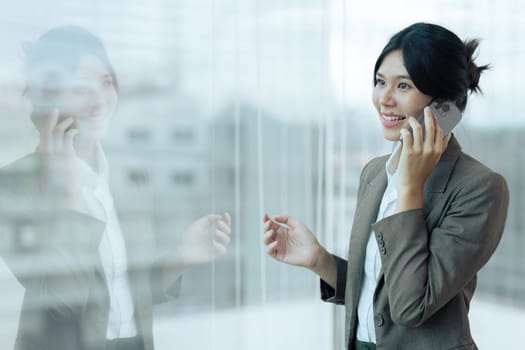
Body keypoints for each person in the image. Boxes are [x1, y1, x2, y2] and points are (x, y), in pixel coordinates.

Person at [262, 22, 509, 350]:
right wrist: (318, 259)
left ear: (444, 106)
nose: (384, 99)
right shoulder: (375, 173)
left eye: (403, 86)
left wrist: (410, 186)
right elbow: (378, 291)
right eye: (380, 82)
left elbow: (410, 304)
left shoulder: (480, 188)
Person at [0, 26, 231, 350]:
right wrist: (67, 193)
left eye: (106, 82)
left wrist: (181, 256)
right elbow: (64, 299)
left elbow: (127, 289)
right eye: (81, 87)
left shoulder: (129, 178)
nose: (98, 99)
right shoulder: (13, 187)